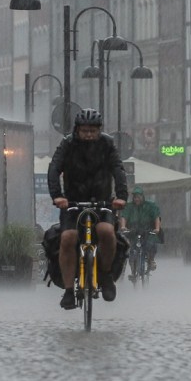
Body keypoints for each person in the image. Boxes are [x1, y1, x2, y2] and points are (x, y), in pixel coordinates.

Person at [47, 108, 127, 310]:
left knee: (106, 232)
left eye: (93, 130)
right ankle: (68, 291)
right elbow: (54, 168)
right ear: (77, 130)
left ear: (99, 130)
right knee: (68, 238)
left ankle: (106, 275)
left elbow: (118, 169)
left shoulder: (107, 144)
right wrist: (58, 196)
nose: (89, 134)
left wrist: (121, 196)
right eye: (85, 130)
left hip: (102, 202)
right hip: (73, 202)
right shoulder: (68, 144)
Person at [119, 185, 161, 280]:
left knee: (151, 244)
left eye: (138, 197)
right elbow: (124, 217)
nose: (136, 199)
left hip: (147, 231)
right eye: (135, 197)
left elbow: (156, 217)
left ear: (142, 196)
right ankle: (133, 273)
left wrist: (157, 228)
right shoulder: (129, 206)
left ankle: (151, 260)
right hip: (133, 232)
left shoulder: (150, 206)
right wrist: (123, 226)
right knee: (132, 253)